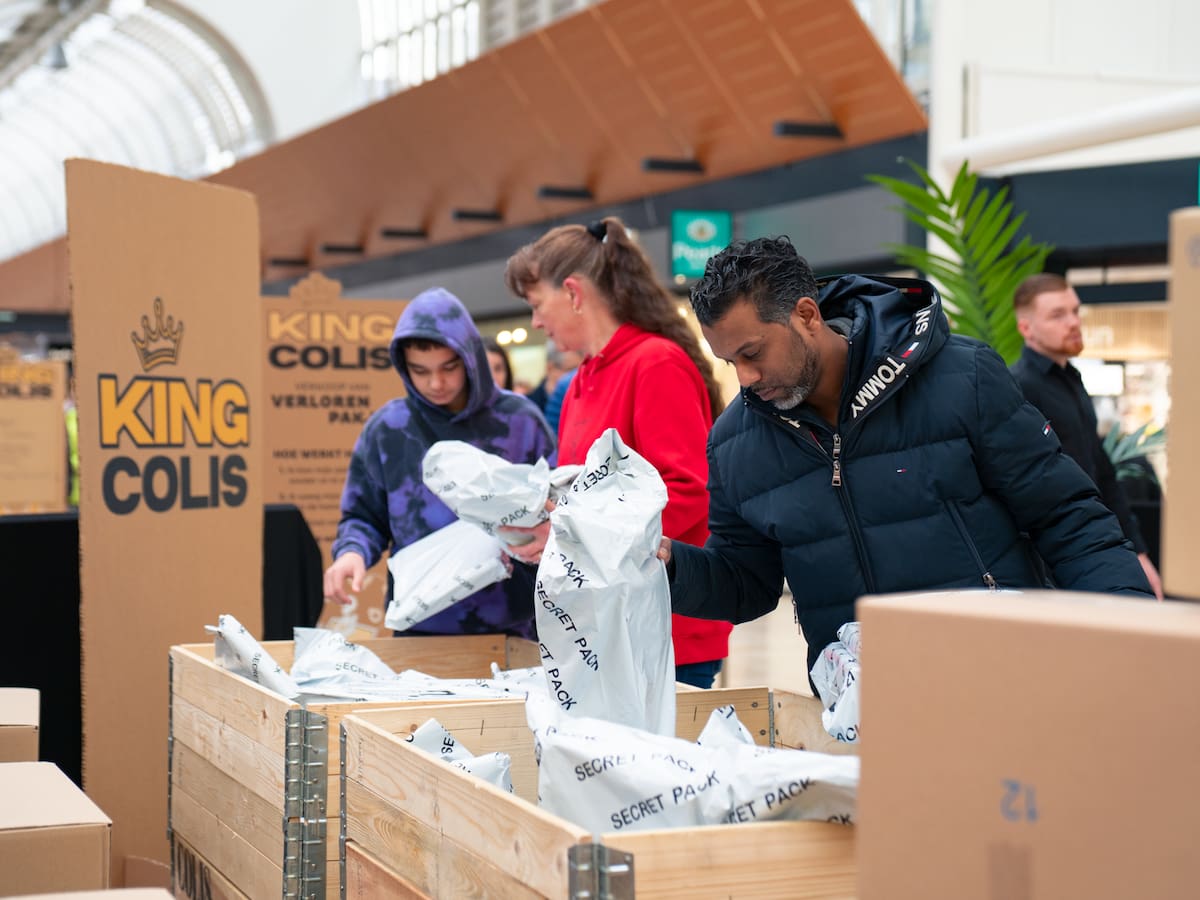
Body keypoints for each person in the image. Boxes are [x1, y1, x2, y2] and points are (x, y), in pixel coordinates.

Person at [657, 236, 1153, 675]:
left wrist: (1127, 632)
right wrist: (669, 565)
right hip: (863, 713)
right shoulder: (733, 442)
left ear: (806, 315)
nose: (744, 378)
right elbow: (748, 582)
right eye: (730, 361)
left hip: (1003, 678)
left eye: (753, 352)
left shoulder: (963, 378)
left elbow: (1068, 518)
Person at [503, 216, 734, 689]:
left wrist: (573, 539)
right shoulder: (579, 383)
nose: (535, 321)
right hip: (602, 628)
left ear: (572, 291)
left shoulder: (655, 364)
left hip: (663, 629)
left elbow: (688, 492)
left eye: (536, 304)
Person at [323, 287, 555, 639]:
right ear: (403, 366)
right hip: (420, 627)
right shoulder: (388, 428)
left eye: (449, 367)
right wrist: (352, 553)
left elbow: (557, 511)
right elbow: (362, 515)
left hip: (515, 625)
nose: (436, 383)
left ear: (471, 358)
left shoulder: (520, 420)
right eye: (420, 370)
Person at [1010, 273, 1163, 599]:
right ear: (1026, 329)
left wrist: (1137, 551)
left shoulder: (1073, 381)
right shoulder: (1018, 387)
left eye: (1075, 311)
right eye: (1057, 314)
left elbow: (1102, 472)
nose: (1073, 322)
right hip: (1055, 561)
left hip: (1097, 545)